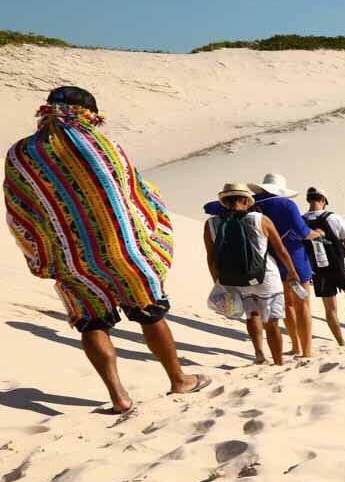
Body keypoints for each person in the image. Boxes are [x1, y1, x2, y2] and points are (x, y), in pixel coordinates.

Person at [5, 86, 207, 412]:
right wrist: (150, 224)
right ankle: (178, 380)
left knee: (91, 321)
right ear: (90, 113)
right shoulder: (103, 146)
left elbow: (18, 210)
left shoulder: (20, 155)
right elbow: (134, 193)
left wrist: (40, 253)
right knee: (148, 309)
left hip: (70, 259)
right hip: (123, 249)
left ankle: (119, 397)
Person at [204, 183, 297, 366]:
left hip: (237, 279)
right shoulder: (260, 219)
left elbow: (211, 258)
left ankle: (259, 353)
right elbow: (281, 250)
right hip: (266, 277)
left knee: (251, 314)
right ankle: (278, 361)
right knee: (271, 321)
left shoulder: (211, 224)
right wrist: (292, 272)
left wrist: (218, 282)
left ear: (224, 202)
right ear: (246, 200)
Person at [247, 174, 316, 359]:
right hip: (295, 258)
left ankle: (295, 346)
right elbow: (303, 232)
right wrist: (317, 234)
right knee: (303, 305)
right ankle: (307, 351)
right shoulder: (287, 204)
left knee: (287, 306)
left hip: (270, 260)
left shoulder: (253, 205)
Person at [303, 188, 345, 345]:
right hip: (341, 267)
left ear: (308, 200)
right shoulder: (334, 218)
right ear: (323, 200)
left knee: (330, 309)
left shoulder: (301, 220)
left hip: (318, 270)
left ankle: (341, 342)